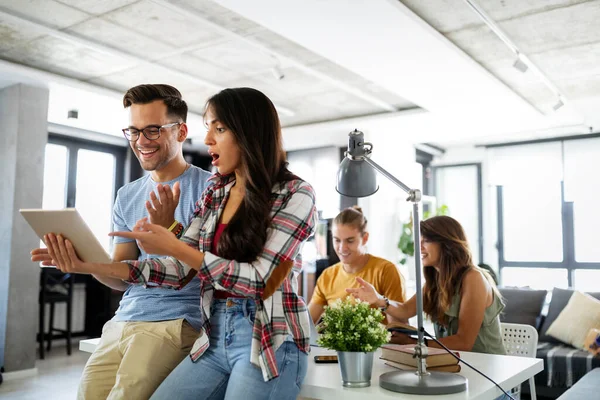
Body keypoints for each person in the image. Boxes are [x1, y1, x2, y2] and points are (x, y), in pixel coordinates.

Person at [41, 87, 317, 400]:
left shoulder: (295, 193)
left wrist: (173, 241)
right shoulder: (217, 192)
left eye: (220, 128)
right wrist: (87, 264)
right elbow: (177, 268)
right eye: (208, 128)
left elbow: (260, 279)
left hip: (269, 337)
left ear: (249, 133)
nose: (209, 139)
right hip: (215, 336)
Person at [31, 84, 213, 399]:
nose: (141, 141)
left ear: (181, 131)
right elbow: (119, 278)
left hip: (176, 320)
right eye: (134, 131)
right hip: (124, 318)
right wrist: (83, 263)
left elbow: (194, 268)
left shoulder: (210, 189)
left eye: (153, 131)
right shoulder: (127, 195)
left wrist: (168, 229)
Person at [347, 215, 506, 354]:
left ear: (448, 244)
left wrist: (412, 343)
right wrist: (379, 300)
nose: (419, 247)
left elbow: (464, 342)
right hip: (455, 365)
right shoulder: (436, 281)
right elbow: (405, 310)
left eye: (426, 241)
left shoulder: (473, 279)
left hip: (488, 372)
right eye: (419, 241)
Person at [308, 206, 406, 324]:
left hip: (382, 343)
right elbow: (306, 325)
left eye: (350, 241)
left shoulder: (385, 271)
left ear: (365, 238)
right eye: (337, 240)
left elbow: (399, 330)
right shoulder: (327, 276)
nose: (342, 248)